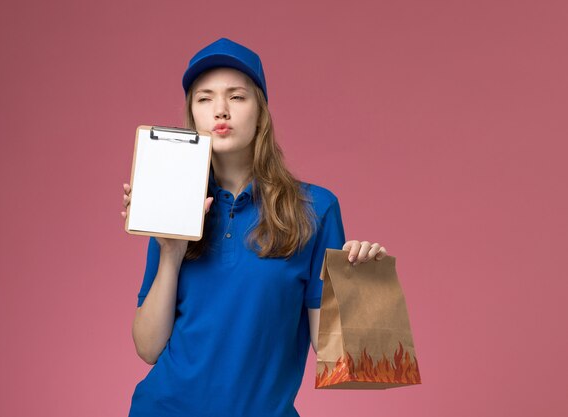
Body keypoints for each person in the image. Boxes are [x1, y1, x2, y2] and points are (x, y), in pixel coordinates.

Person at [120, 38, 388, 417]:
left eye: (237, 97)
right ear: (192, 114)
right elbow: (147, 348)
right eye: (204, 98)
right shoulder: (173, 206)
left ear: (261, 112)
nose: (221, 110)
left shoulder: (315, 209)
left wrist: (362, 284)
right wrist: (171, 251)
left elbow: (333, 353)